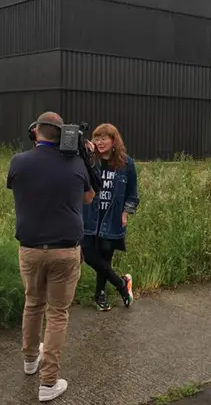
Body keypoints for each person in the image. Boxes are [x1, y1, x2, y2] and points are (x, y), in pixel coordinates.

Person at [7, 111, 95, 402]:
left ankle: (30, 360)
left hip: (31, 247)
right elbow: (88, 197)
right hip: (65, 249)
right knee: (57, 313)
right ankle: (48, 382)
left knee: (33, 303)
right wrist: (84, 158)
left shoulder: (19, 162)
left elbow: (18, 187)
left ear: (35, 132)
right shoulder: (77, 163)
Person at [82, 123, 139, 311]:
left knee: (105, 258)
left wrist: (126, 213)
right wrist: (86, 155)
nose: (99, 142)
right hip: (90, 216)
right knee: (89, 255)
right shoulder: (90, 161)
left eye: (104, 138)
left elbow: (132, 193)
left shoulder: (126, 163)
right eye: (96, 138)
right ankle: (122, 285)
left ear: (114, 141)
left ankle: (100, 294)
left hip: (112, 218)